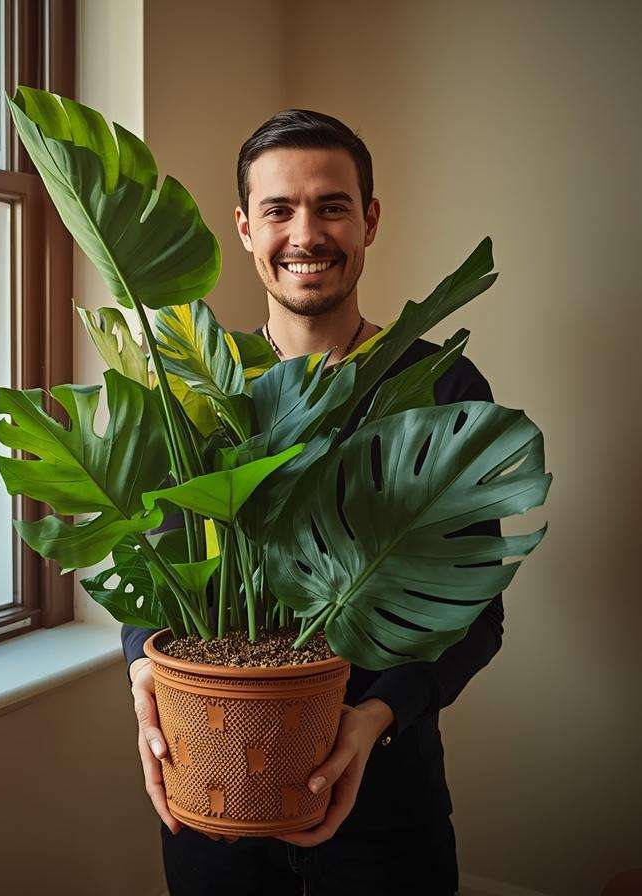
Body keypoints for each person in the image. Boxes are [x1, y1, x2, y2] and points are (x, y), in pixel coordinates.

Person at [121, 110, 504, 895]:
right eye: (278, 210)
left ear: (368, 220)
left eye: (331, 206)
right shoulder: (196, 393)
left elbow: (474, 613)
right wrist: (143, 677)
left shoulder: (439, 391)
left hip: (387, 809)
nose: (306, 233)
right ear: (243, 227)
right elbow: (157, 580)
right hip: (215, 794)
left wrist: (370, 723)